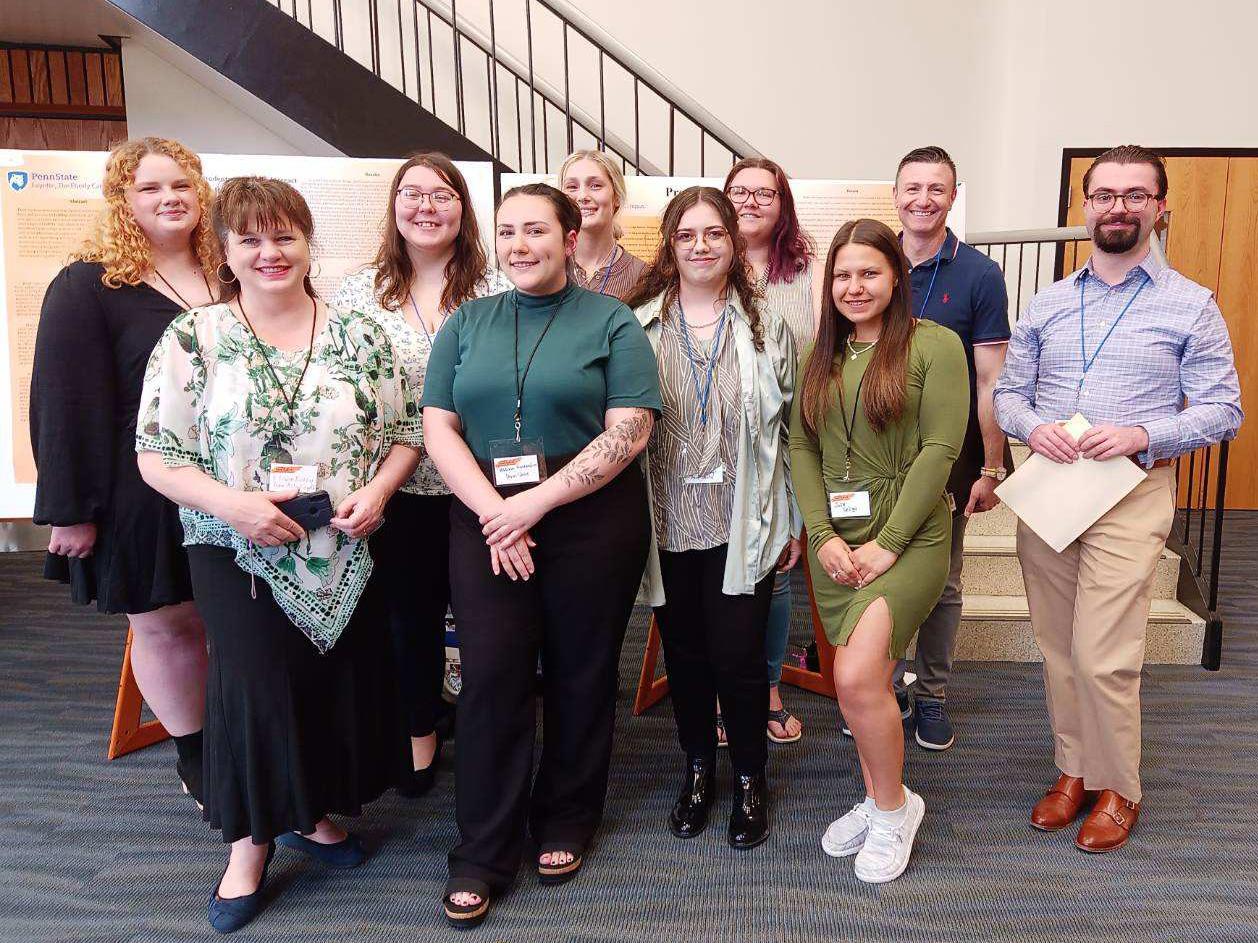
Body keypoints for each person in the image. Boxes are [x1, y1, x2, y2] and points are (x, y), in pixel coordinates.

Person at [136, 177, 420, 933]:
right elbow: (156, 455)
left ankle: (311, 812)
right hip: (237, 549)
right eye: (251, 239)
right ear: (225, 250)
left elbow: (407, 431)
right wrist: (237, 506)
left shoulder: (362, 332)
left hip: (344, 545)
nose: (270, 253)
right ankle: (248, 848)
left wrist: (382, 492)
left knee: (329, 683)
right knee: (255, 691)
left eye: (284, 236)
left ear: (307, 242)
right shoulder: (194, 338)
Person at [422, 183, 660, 928]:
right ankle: (483, 849)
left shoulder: (613, 320)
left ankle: (565, 816)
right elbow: (438, 426)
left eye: (536, 230)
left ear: (569, 233)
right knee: (491, 674)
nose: (521, 244)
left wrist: (535, 502)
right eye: (508, 232)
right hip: (487, 518)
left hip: (589, 522)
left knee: (580, 671)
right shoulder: (466, 322)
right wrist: (498, 510)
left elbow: (631, 429)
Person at [994, 145, 1242, 853]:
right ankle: (1073, 769)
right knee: (1058, 646)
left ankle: (1120, 786)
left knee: (1105, 653)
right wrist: (1032, 424)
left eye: (1136, 194)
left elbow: (1225, 409)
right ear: (1085, 205)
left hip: (1130, 490)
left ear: (1161, 207)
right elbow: (1009, 393)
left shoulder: (1190, 304)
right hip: (1051, 489)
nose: (1118, 207)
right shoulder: (1049, 300)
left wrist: (1143, 431)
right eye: (1104, 194)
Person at [29, 137, 218, 806]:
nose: (170, 199)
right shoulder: (90, 283)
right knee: (164, 622)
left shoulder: (227, 272)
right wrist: (71, 509)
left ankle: (237, 738)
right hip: (137, 488)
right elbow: (64, 400)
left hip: (231, 484)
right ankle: (196, 754)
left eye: (181, 185)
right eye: (151, 189)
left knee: (223, 617)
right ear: (124, 203)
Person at [790, 219, 968, 884]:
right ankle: (877, 795)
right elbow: (801, 447)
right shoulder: (823, 354)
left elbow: (939, 452)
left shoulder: (935, 345)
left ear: (897, 275)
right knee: (853, 685)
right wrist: (823, 533)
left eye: (868, 272)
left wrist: (889, 544)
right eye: (841, 274)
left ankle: (895, 810)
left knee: (860, 676)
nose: (854, 286)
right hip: (836, 544)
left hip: (910, 537)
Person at [332, 152, 509, 797]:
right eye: (413, 194)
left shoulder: (497, 291)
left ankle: (494, 731)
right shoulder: (355, 293)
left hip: (483, 485)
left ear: (464, 209)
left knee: (489, 618)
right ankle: (420, 730)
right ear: (395, 207)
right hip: (395, 488)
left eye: (442, 195)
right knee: (409, 618)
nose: (426, 207)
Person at [625, 186, 798, 849]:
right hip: (665, 521)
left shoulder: (766, 328)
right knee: (687, 658)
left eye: (714, 233)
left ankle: (751, 775)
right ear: (669, 246)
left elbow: (786, 435)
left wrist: (790, 520)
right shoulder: (636, 323)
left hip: (741, 521)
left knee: (739, 658)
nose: (701, 245)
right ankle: (698, 767)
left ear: (734, 242)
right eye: (687, 234)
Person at [887, 145, 1012, 751]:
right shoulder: (873, 262)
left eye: (937, 188)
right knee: (875, 575)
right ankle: (881, 685)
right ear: (895, 194)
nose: (923, 199)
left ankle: (932, 695)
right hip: (876, 455)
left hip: (949, 454)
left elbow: (991, 379)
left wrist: (993, 464)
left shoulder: (979, 274)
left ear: (953, 195)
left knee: (943, 580)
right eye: (913, 187)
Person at [723, 157, 812, 745]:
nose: (751, 201)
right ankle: (716, 689)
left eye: (765, 193)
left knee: (775, 573)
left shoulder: (808, 274)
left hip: (789, 444)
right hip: (713, 451)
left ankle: (770, 686)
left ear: (783, 205)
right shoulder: (705, 263)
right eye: (740, 192)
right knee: (714, 578)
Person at [559, 149, 647, 300]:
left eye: (595, 185)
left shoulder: (642, 275)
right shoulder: (548, 266)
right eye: (572, 187)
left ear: (616, 196)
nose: (582, 197)